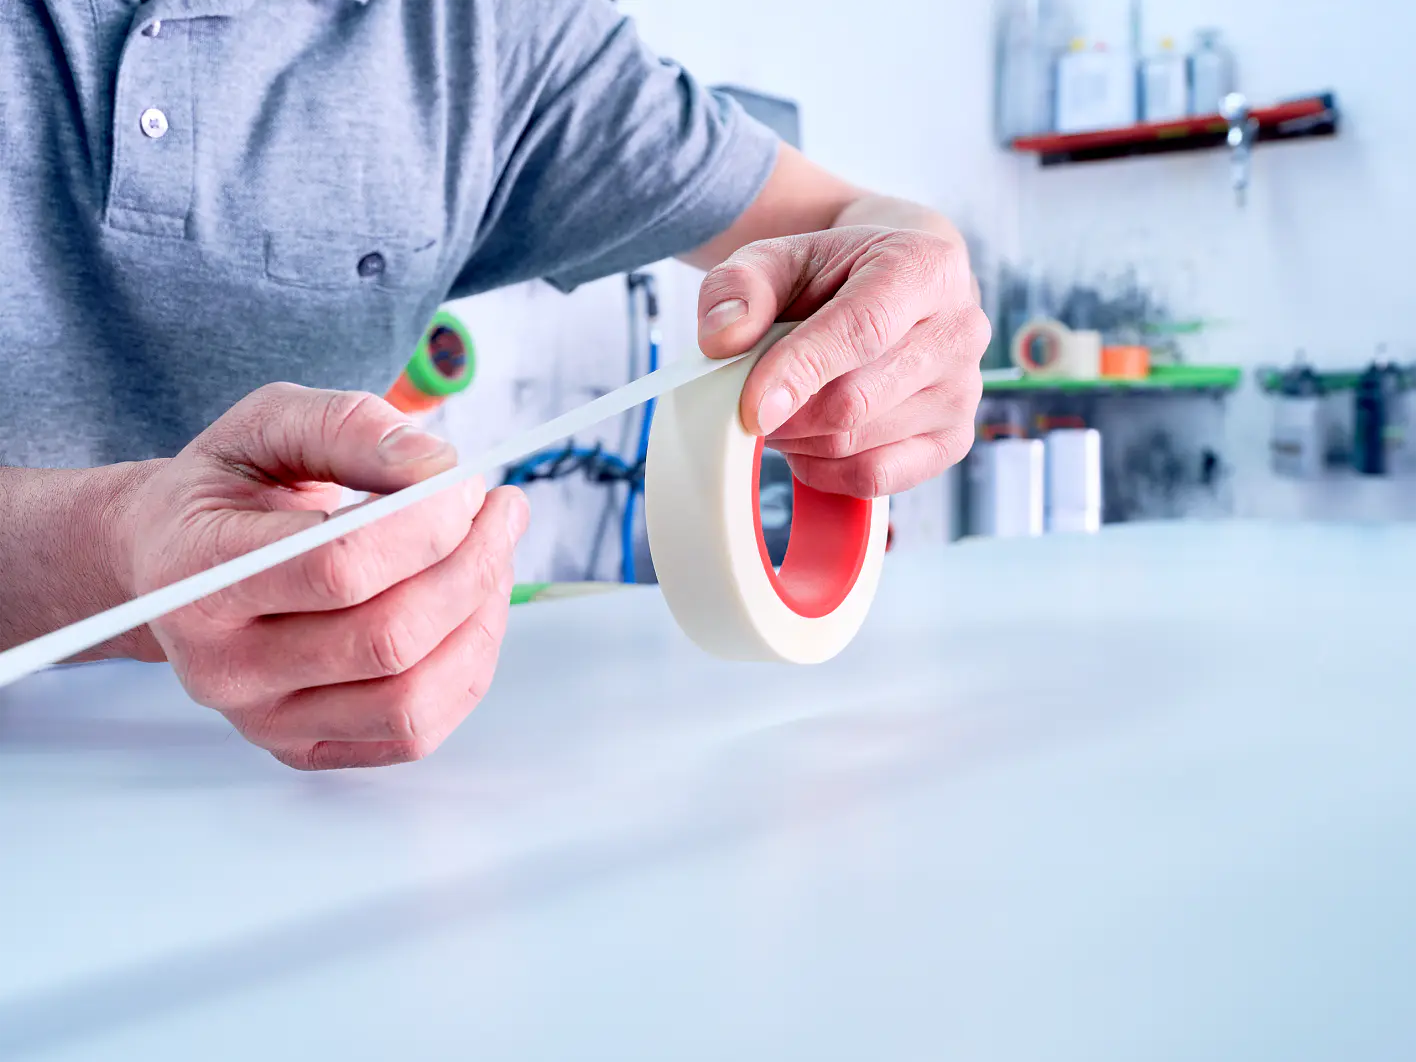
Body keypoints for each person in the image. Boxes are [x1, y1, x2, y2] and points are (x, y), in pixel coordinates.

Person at [0, 0, 989, 769]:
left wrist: (916, 301)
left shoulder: (483, 35)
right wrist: (111, 551)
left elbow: (865, 225)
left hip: (265, 801)